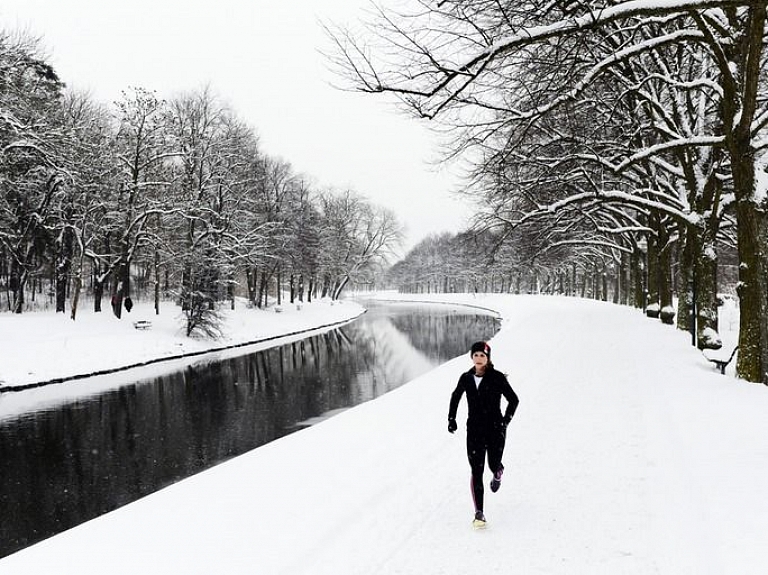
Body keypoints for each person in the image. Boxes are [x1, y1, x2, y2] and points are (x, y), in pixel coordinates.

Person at [448, 341, 519, 528]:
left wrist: (505, 421)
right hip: (474, 431)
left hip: (495, 430)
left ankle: (498, 472)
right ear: (472, 357)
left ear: (488, 358)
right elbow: (456, 396)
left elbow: (513, 399)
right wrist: (451, 419)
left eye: (482, 355)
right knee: (476, 470)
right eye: (476, 355)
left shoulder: (497, 377)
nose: (479, 359)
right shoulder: (466, 378)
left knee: (492, 464)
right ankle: (479, 513)